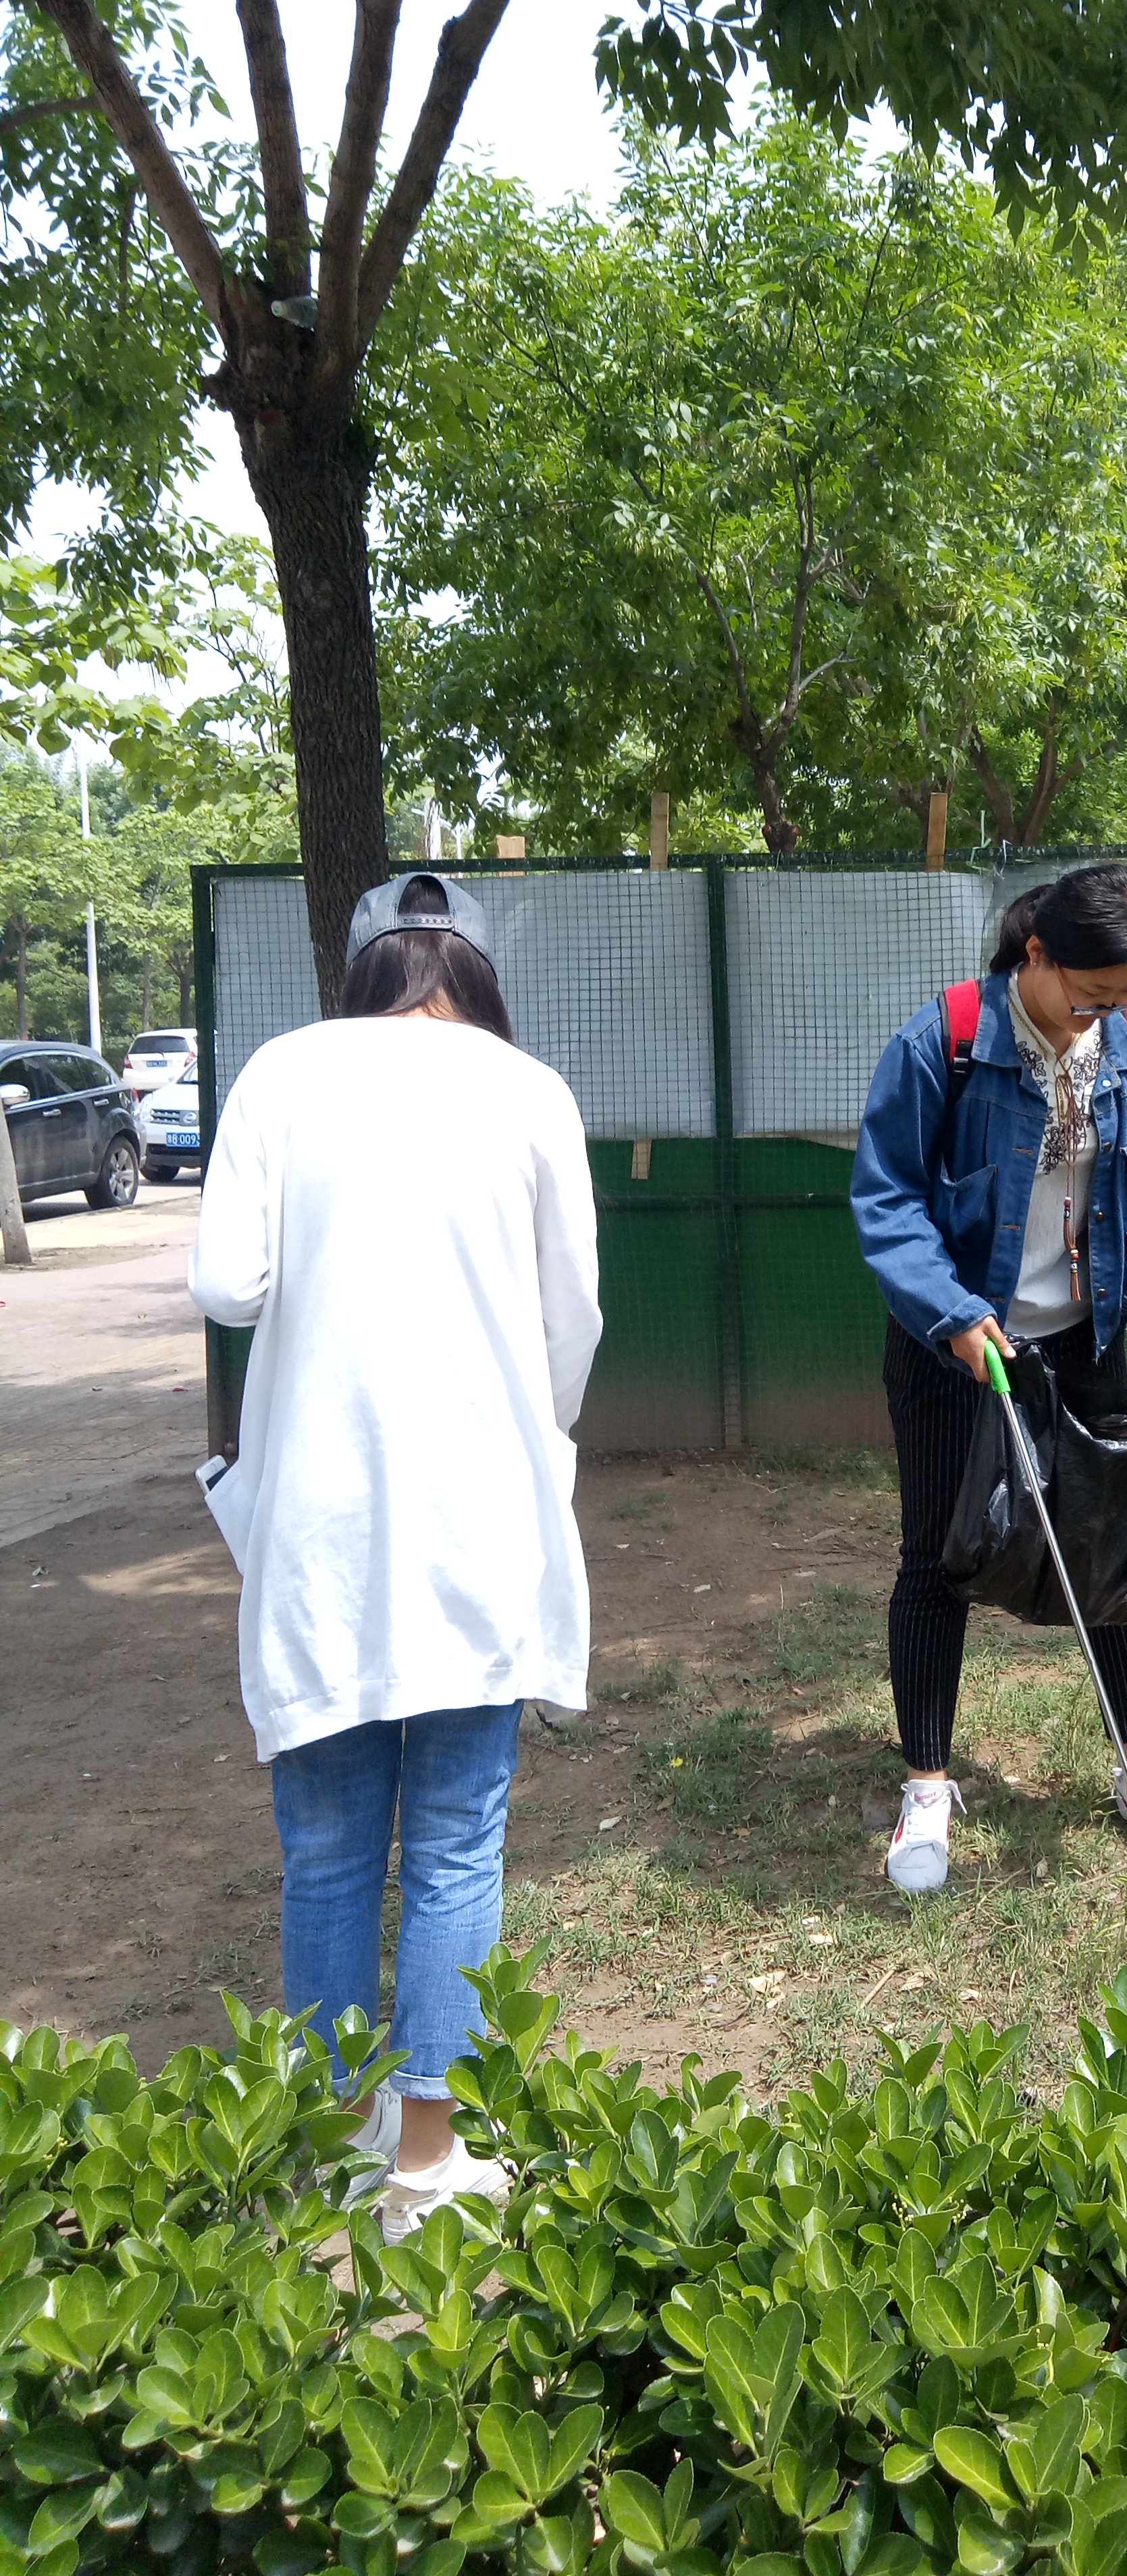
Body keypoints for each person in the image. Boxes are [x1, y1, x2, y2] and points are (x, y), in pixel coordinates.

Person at [190, 872, 601, 2237]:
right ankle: (427, 2158)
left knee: (324, 1846)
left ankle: (325, 2148)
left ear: (363, 967)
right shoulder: (528, 1090)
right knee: (457, 1838)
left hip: (321, 1518)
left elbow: (226, 1288)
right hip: (479, 1508)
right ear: (474, 972)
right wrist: (538, 1428)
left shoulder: (281, 1073)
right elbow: (575, 1320)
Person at [851, 863, 1127, 1893]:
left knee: (1111, 1550)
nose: (1098, 1019)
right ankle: (927, 1788)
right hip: (955, 1347)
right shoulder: (943, 1042)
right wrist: (953, 1315)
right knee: (936, 1558)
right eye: (1087, 995)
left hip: (1081, 1341)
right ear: (1036, 955)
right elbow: (888, 1202)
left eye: (1122, 999)